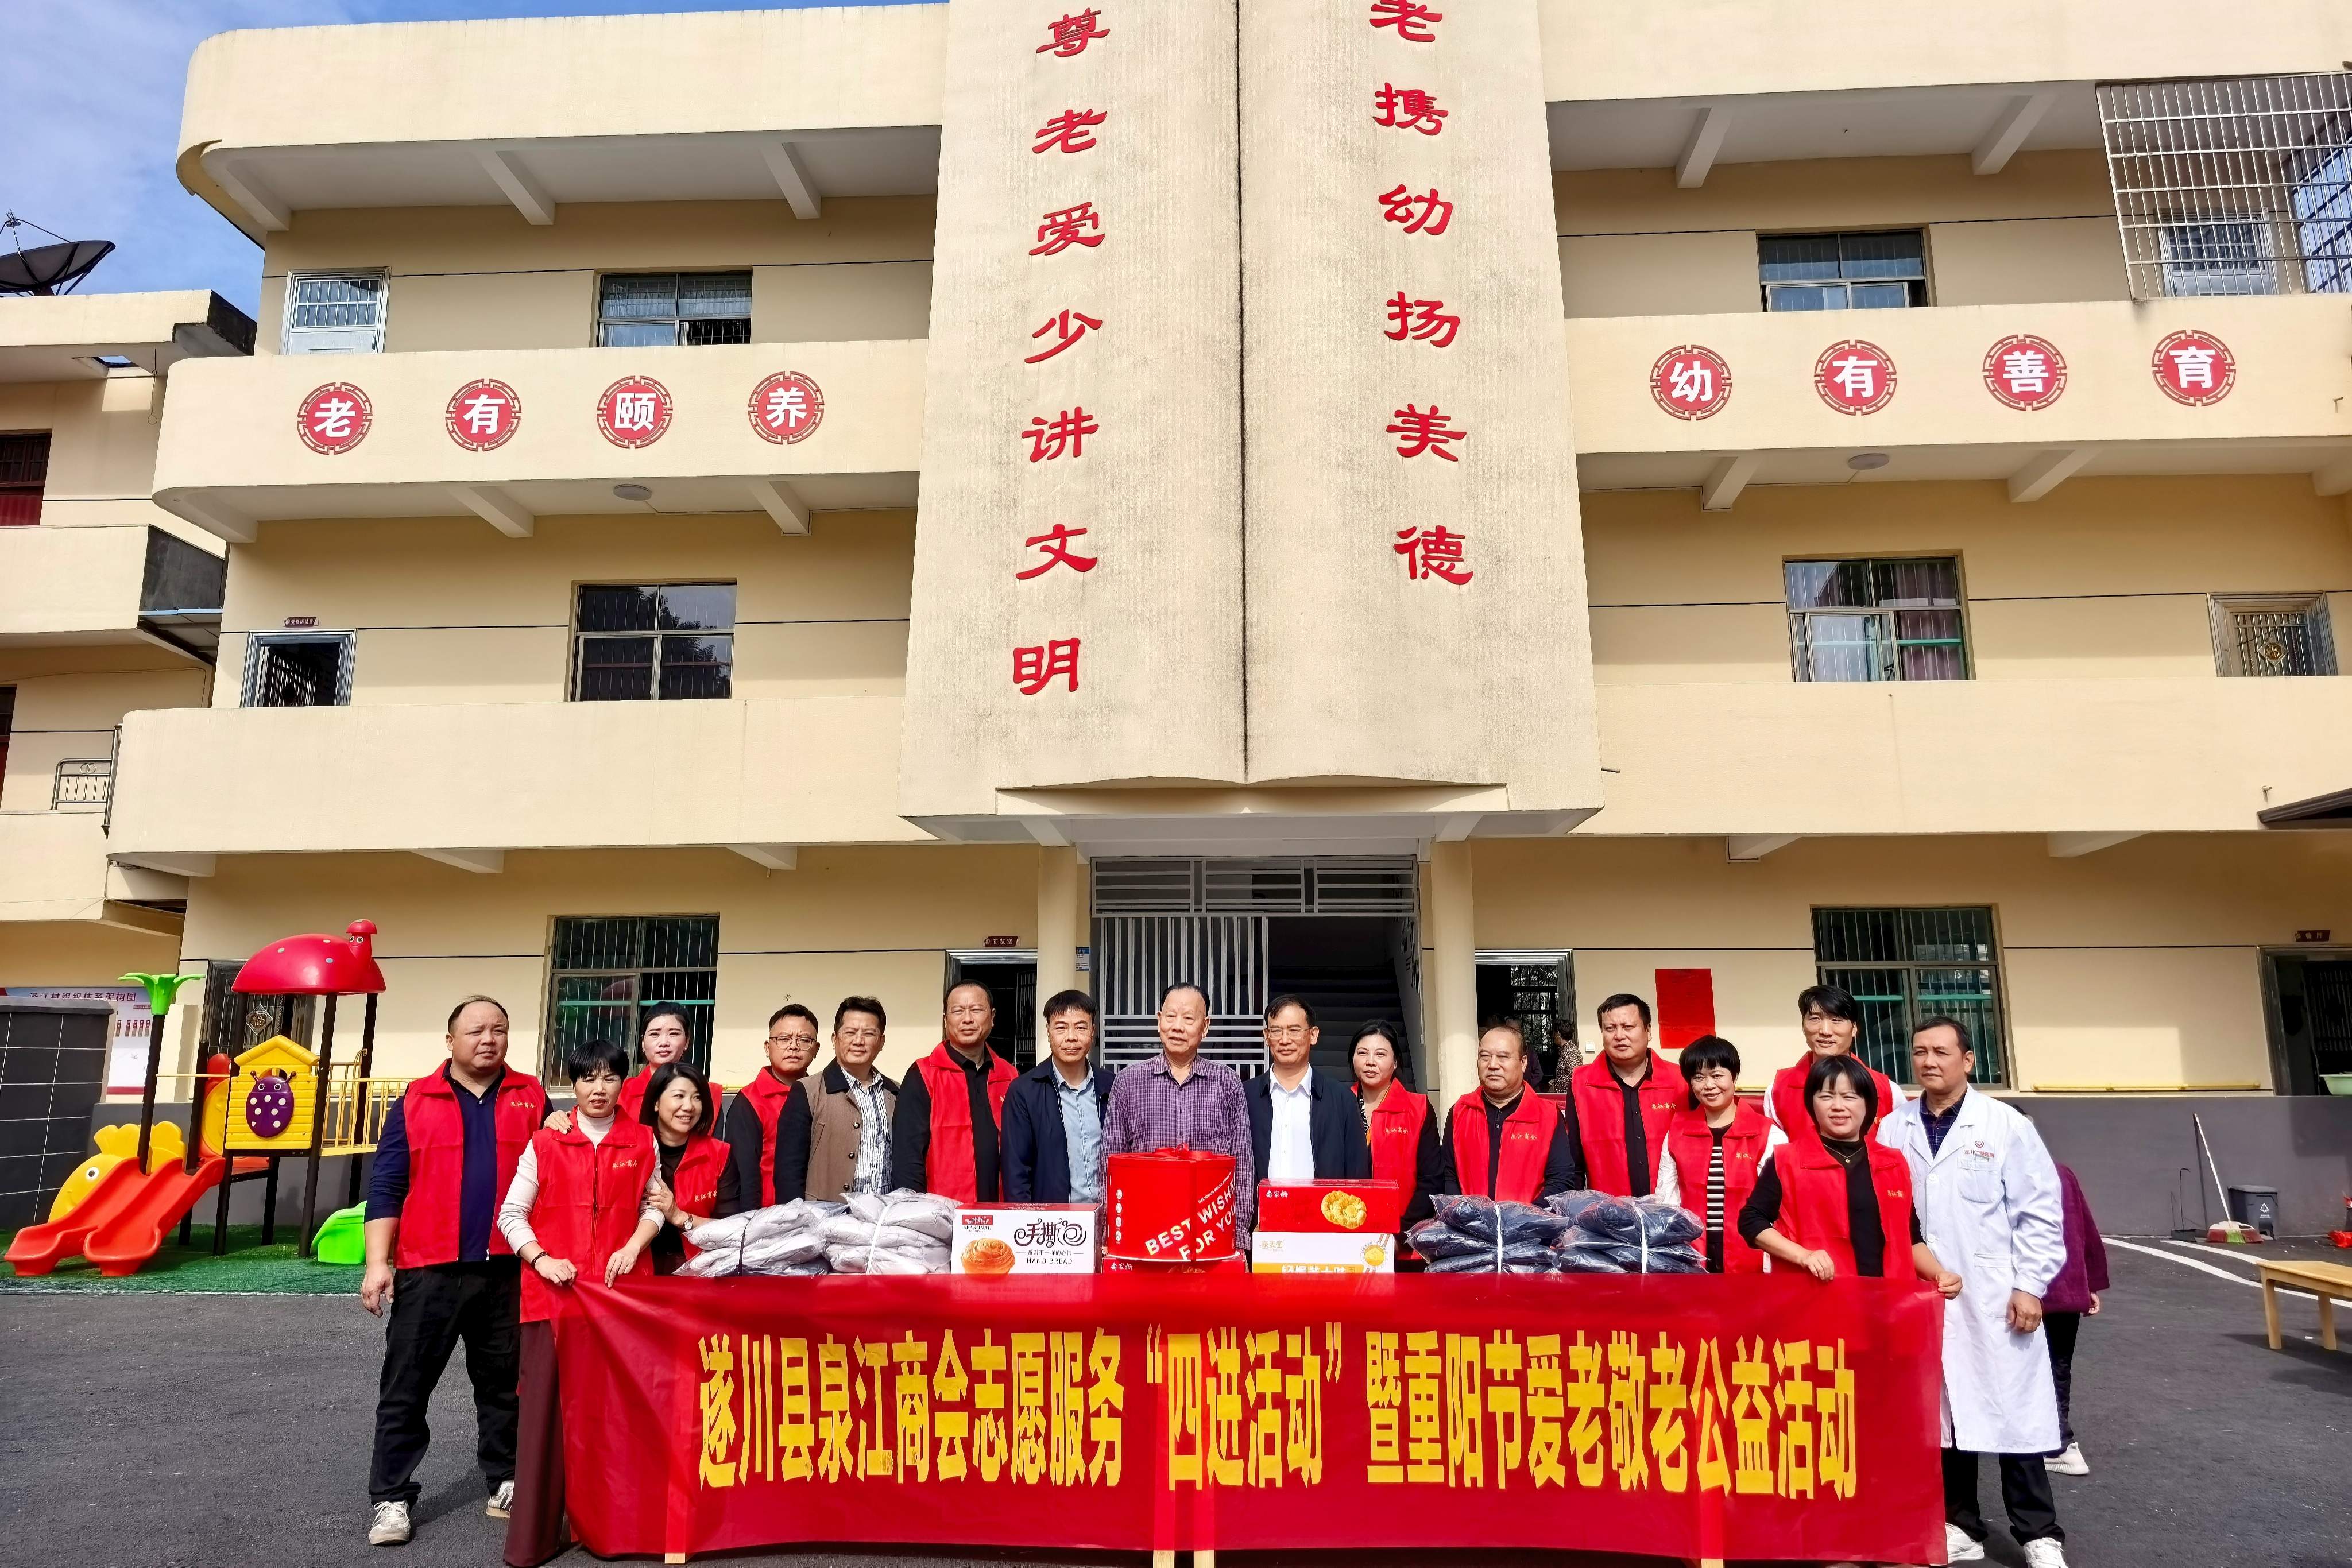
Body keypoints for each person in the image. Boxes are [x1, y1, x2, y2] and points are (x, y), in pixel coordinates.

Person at [1882, 1017, 2072, 1568]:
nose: (1929, 1061)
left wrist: (2030, 1285)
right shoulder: (1893, 1127)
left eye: (1941, 1051)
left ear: (1968, 1059)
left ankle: (2039, 1534)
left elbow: (2040, 1211)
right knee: (1941, 1413)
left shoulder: (2004, 1124)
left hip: (1994, 1293)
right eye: (1920, 1051)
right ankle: (1960, 1522)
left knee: (2014, 1412)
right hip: (1923, 1290)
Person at [359, 997, 547, 1548]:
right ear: (450, 1040)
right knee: (406, 1387)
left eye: (499, 1029)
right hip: (429, 1270)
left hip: (507, 1268)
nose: (488, 1039)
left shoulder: (532, 1096)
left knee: (506, 1386)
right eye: (475, 1030)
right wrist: (378, 1263)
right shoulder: (416, 1099)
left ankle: (506, 1478)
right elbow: (388, 1182)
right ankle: (391, 1497)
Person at [496, 1038, 663, 1568]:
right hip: (554, 1298)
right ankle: (539, 1535)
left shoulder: (643, 1140)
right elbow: (511, 1214)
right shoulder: (545, 1141)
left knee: (617, 1415)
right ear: (573, 1084)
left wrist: (633, 1246)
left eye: (609, 1078)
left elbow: (655, 1206)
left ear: (623, 1083)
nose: (599, 1088)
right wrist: (542, 1259)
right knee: (546, 1416)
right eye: (588, 1078)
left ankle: (614, 1526)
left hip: (621, 1299)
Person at [1739, 1054, 1960, 1295]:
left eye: (1850, 1096)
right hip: (1818, 1301)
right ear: (1811, 1103)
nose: (1838, 1106)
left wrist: (1939, 1274)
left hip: (1888, 1301)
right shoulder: (1787, 1160)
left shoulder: (1892, 1163)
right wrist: (1804, 1256)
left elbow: (1911, 1238)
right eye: (1826, 1096)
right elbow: (1752, 1222)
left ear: (1867, 1103)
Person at [1102, 980, 1258, 1236]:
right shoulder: (1128, 1082)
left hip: (1212, 1231)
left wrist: (1238, 1232)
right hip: (1145, 1229)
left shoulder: (1227, 1083)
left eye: (1188, 1018)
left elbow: (1242, 1163)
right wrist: (1111, 1230)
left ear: (1205, 1027)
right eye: (1171, 1016)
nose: (1177, 1027)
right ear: (1159, 1021)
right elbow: (1110, 1163)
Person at [1654, 1035, 1784, 1273]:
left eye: (1717, 1075)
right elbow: (1666, 1201)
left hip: (1752, 1257)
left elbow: (1780, 1210)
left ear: (1734, 1076)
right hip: (1693, 1257)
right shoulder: (1676, 1133)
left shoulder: (1768, 1134)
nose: (1709, 1085)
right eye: (1699, 1078)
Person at [892, 980, 1018, 1203]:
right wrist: (913, 1210)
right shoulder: (923, 1074)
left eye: (976, 1010)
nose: (967, 1019)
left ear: (992, 1017)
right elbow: (908, 1157)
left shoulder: (1009, 1076)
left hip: (1000, 1211)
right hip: (942, 1213)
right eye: (958, 1011)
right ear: (945, 1020)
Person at [1438, 1023, 1581, 1203]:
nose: (1492, 1065)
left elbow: (1561, 1180)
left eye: (1503, 1057)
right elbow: (1449, 1174)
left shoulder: (1548, 1115)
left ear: (1523, 1063)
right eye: (1484, 1056)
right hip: (1468, 1220)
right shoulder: (1460, 1111)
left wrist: (1522, 1217)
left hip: (1531, 1221)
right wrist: (1464, 1214)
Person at [775, 996, 899, 1204]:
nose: (859, 1041)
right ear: (835, 1039)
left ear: (881, 1042)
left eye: (869, 1034)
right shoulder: (807, 1091)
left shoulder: (895, 1093)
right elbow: (788, 1172)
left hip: (884, 1216)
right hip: (825, 1218)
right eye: (850, 1033)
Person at [1564, 994, 1687, 1198]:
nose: (1619, 1036)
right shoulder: (1581, 1084)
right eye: (1610, 1029)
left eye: (1628, 1027)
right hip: (1608, 1210)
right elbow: (1573, 1163)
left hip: (1670, 1209)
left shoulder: (1680, 1081)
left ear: (1648, 1031)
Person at [1001, 990, 1115, 1203]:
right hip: (1052, 1219)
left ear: (1093, 1032)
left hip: (1108, 1215)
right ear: (1048, 1032)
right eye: (1061, 1028)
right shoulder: (1024, 1091)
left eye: (1080, 1027)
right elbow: (1016, 1174)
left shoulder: (1112, 1086)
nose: (1071, 1037)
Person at [1247, 996, 1372, 1186]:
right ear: (1266, 1036)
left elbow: (1358, 1175)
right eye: (1276, 1031)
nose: (1285, 1040)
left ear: (1313, 1035)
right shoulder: (1245, 1096)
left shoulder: (1341, 1099)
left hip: (1325, 1205)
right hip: (1259, 1206)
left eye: (1294, 1031)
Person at [1766, 984, 1905, 1148]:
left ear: (1854, 1028)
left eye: (1836, 1020)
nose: (1825, 1031)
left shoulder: (1887, 1091)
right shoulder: (1778, 1090)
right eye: (1815, 1019)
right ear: (1803, 1026)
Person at [2041, 1155, 2107, 1476]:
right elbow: (2084, 1226)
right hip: (2066, 1286)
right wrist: (2089, 1283)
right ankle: (2060, 1442)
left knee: (2034, 1366)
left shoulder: (2011, 1168)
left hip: (2028, 1289)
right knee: (2058, 1365)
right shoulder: (2061, 1172)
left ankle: (2057, 1443)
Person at [718, 1004, 819, 1215]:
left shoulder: (821, 1096)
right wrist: (751, 1222)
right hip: (768, 1218)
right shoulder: (749, 1101)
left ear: (816, 1049)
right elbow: (744, 1177)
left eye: (804, 1040)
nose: (793, 1047)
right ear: (767, 1047)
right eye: (784, 1039)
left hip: (816, 1214)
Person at [639, 1060, 736, 1273]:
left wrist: (679, 1216)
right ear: (656, 1102)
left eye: (697, 1098)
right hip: (638, 1267)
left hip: (699, 1270)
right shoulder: (634, 1148)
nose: (689, 1106)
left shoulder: (719, 1154)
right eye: (679, 1096)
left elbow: (731, 1229)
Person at [1349, 1020, 1441, 1227]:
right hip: (1347, 1231)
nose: (1370, 1062)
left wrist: (1400, 1231)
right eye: (1362, 1053)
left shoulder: (1419, 1109)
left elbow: (1432, 1180)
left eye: (1380, 1054)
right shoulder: (1339, 1105)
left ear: (1396, 1062)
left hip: (1404, 1235)